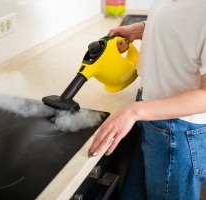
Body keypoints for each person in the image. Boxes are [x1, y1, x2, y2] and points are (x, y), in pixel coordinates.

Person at [88, 0, 206, 199]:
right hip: (151, 117)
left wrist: (133, 111)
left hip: (177, 131)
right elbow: (185, 27)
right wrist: (140, 30)